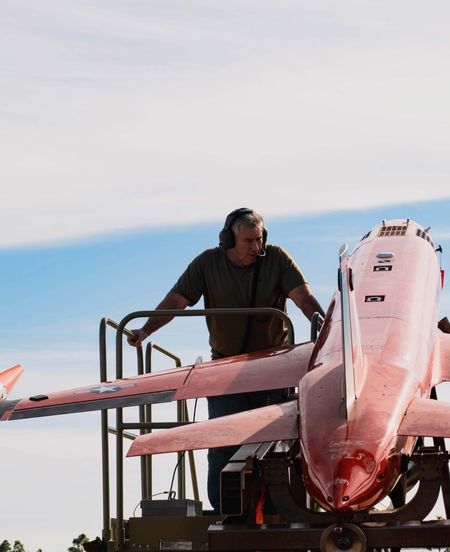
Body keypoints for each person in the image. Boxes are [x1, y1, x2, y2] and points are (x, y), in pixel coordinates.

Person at [129, 208, 324, 513]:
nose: (256, 247)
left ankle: (277, 511)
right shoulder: (208, 263)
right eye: (248, 241)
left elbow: (302, 296)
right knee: (222, 440)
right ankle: (226, 511)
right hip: (226, 368)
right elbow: (176, 301)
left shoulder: (276, 258)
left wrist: (326, 329)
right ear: (227, 240)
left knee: (276, 445)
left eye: (259, 240)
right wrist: (145, 330)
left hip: (274, 368)